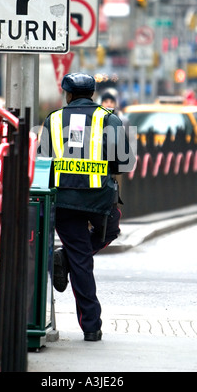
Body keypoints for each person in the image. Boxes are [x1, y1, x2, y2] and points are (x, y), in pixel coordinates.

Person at [38, 73, 135, 341]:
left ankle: (91, 323)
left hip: (64, 202)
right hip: (99, 203)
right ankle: (90, 324)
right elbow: (124, 164)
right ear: (92, 93)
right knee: (107, 234)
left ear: (67, 95)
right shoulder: (109, 119)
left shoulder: (53, 119)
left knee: (79, 257)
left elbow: (42, 162)